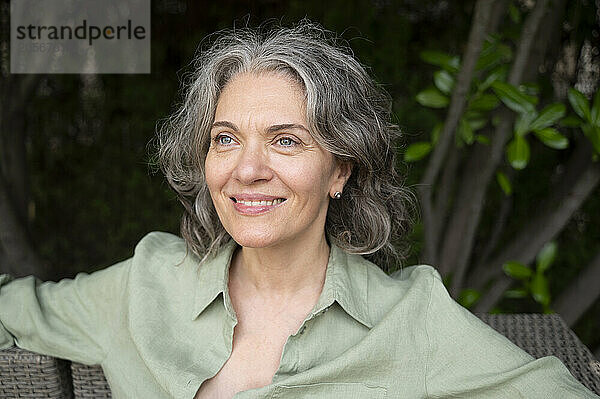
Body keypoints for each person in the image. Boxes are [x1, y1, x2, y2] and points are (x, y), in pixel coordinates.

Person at [0, 21, 598, 399]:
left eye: (286, 139)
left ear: (341, 169)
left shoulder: (409, 317)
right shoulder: (147, 281)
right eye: (225, 138)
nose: (246, 168)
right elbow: (13, 309)